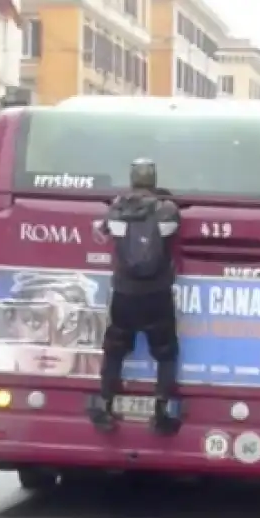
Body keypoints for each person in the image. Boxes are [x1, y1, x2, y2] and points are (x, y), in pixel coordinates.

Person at [88, 158, 182, 435]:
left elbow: (102, 231)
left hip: (125, 292)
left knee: (115, 348)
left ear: (131, 178)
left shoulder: (116, 208)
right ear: (153, 179)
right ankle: (162, 408)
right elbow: (173, 233)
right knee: (165, 352)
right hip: (157, 292)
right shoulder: (167, 209)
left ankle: (104, 404)